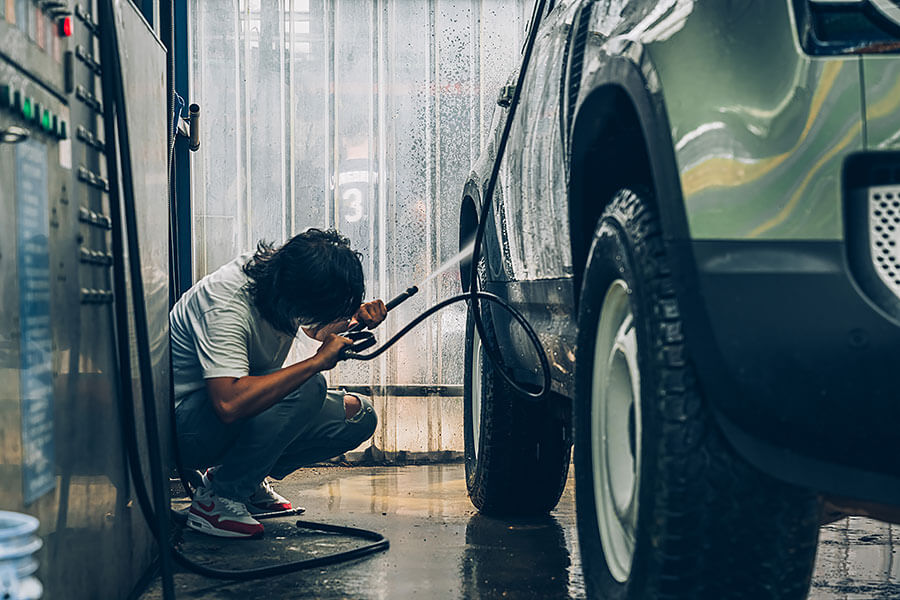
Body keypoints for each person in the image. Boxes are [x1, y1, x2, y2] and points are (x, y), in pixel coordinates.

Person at [169, 228, 387, 538]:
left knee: (359, 415)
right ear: (299, 297)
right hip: (184, 431)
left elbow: (315, 330)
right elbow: (228, 404)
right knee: (310, 385)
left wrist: (352, 321)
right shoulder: (226, 302)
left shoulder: (282, 282)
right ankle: (218, 501)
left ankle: (241, 478)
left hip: (225, 420)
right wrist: (316, 362)